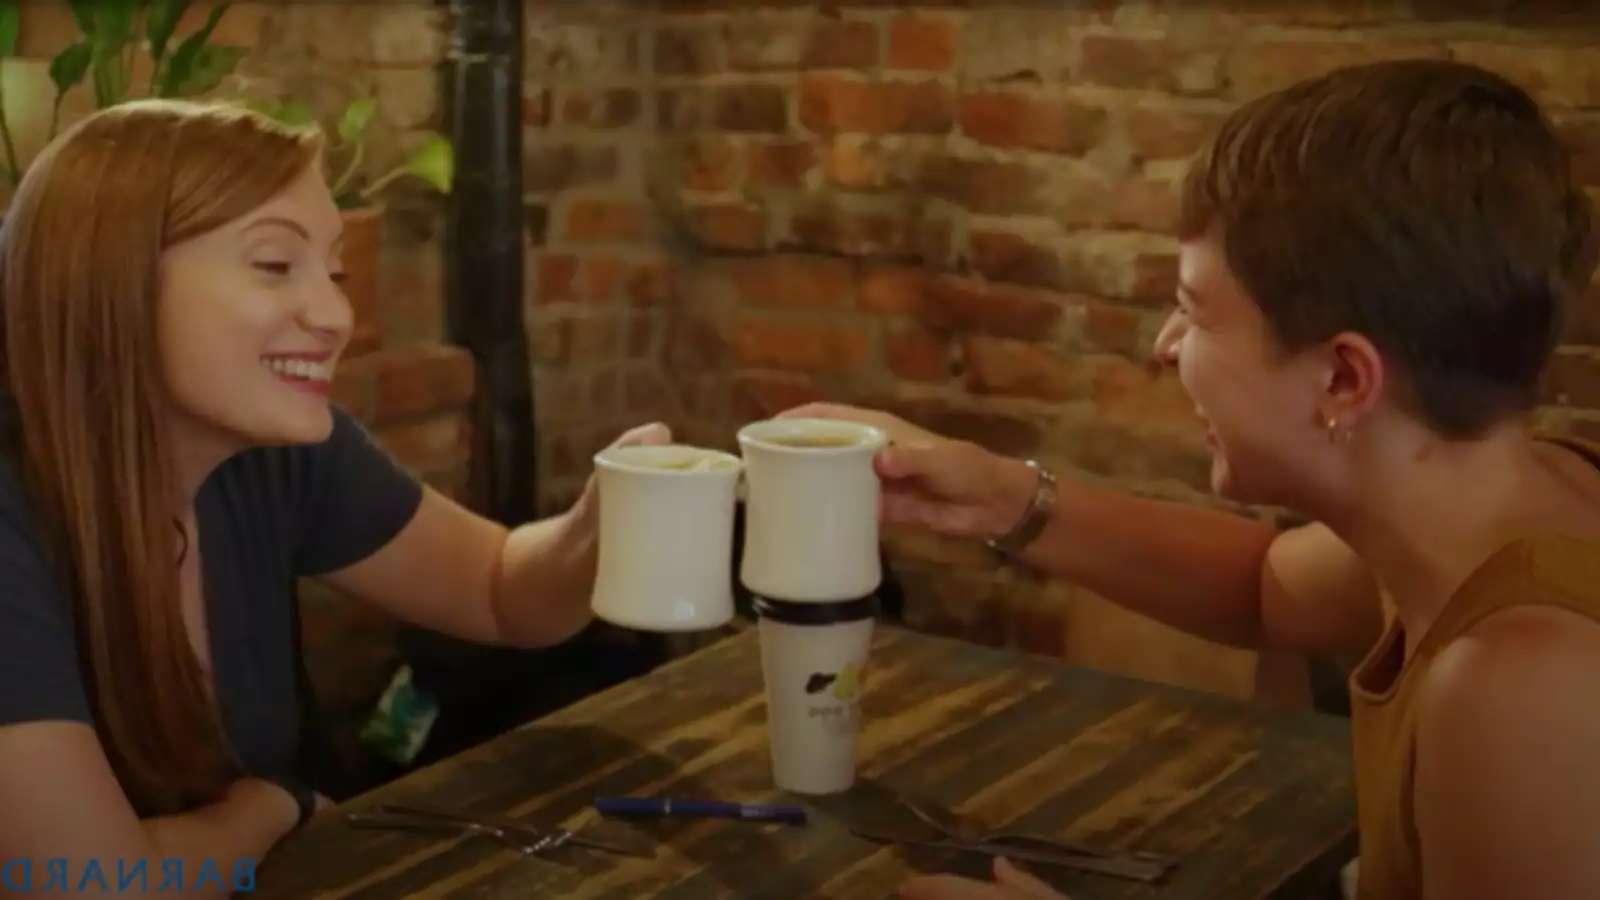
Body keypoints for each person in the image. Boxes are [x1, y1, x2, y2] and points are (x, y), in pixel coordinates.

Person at [791, 59, 1600, 900]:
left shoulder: (1521, 691)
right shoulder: (1502, 503)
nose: (1165, 346)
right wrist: (1003, 497)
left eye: (1196, 310)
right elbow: (1265, 588)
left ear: (1343, 381)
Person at [0, 99, 666, 890]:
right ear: (111, 280)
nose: (337, 314)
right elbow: (90, 886)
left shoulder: (274, 450)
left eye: (336, 269)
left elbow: (498, 592)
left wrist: (602, 518)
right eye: (276, 265)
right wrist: (272, 806)